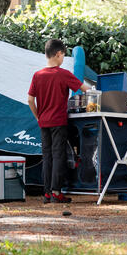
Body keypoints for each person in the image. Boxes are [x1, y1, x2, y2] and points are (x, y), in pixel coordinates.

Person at [28, 39, 91, 204]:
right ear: (57, 54)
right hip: (58, 122)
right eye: (63, 55)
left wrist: (38, 117)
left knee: (47, 157)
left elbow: (30, 100)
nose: (63, 58)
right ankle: (57, 193)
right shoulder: (63, 74)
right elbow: (86, 89)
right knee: (58, 156)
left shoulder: (37, 75)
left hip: (44, 123)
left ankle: (47, 193)